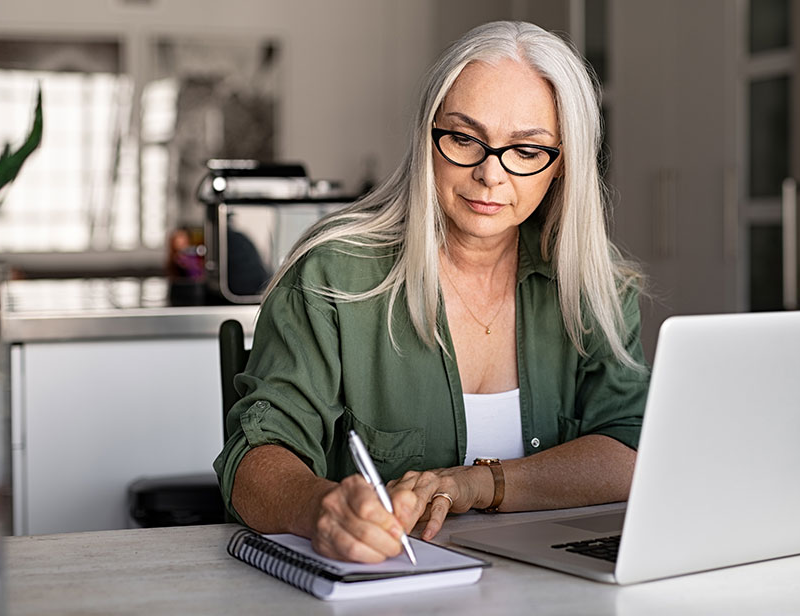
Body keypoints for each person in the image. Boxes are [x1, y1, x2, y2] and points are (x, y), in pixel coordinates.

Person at [213, 20, 649, 564]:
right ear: (427, 138)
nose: (491, 174)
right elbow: (254, 458)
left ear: (562, 165)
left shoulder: (595, 283)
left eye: (527, 149)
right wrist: (319, 507)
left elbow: (630, 450)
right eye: (464, 138)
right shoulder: (332, 274)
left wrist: (476, 484)